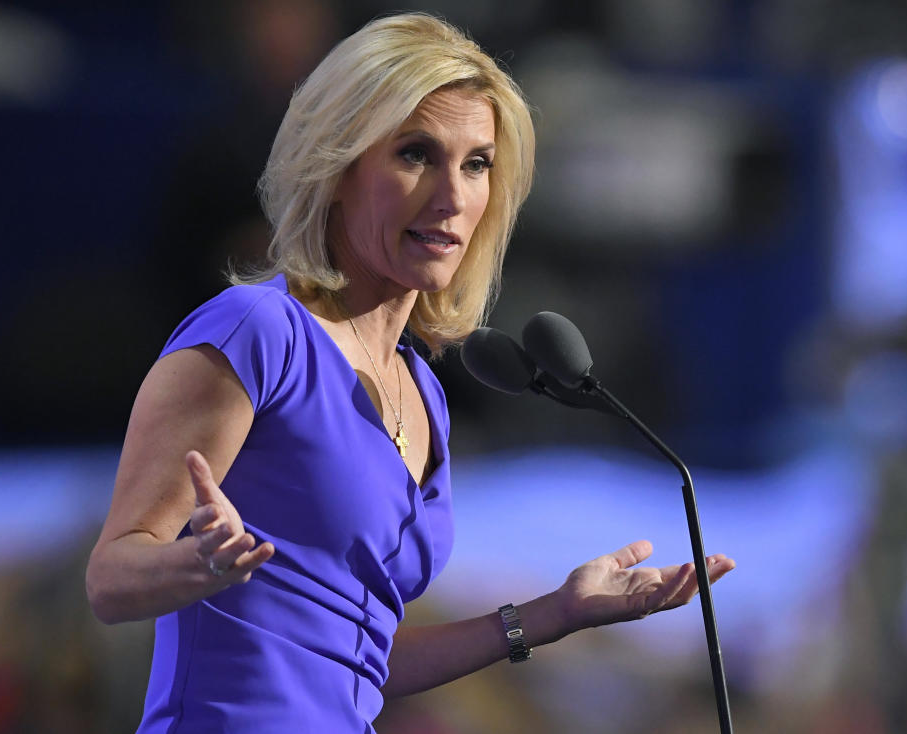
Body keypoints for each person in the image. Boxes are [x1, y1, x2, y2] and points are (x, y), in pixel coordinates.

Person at [86, 12, 735, 733]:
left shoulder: (423, 390)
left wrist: (554, 615)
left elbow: (355, 662)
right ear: (335, 168)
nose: (453, 197)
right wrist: (196, 568)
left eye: (477, 163)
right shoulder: (259, 333)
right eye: (416, 154)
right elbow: (112, 579)